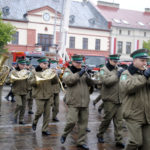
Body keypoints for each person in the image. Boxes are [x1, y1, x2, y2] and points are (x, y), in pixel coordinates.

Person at [60, 55, 96, 150]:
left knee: (83, 124)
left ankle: (81, 142)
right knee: (71, 121)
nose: (79, 64)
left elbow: (91, 83)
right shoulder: (67, 71)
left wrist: (88, 75)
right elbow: (68, 81)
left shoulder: (83, 72)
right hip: (73, 101)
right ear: (72, 62)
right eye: (77, 62)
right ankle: (64, 134)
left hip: (84, 101)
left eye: (80, 63)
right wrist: (80, 73)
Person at [120, 49, 150, 150]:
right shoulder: (126, 74)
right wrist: (145, 76)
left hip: (147, 115)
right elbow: (128, 88)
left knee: (147, 145)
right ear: (134, 60)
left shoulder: (145, 73)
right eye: (142, 60)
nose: (145, 63)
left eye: (146, 60)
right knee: (135, 141)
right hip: (133, 114)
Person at [97, 54, 125, 148]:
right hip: (109, 99)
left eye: (117, 61)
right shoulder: (103, 70)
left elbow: (123, 82)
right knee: (107, 119)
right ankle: (100, 134)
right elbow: (106, 82)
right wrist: (117, 75)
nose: (116, 63)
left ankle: (119, 140)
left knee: (119, 122)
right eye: (114, 61)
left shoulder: (118, 69)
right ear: (109, 60)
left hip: (119, 99)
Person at [31, 57, 58, 136]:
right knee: (39, 111)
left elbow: (55, 82)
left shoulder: (49, 71)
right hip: (39, 95)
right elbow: (30, 83)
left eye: (47, 63)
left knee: (47, 114)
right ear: (40, 64)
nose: (46, 65)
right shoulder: (34, 72)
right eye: (44, 64)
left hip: (49, 95)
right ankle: (35, 122)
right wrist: (38, 79)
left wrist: (55, 74)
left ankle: (44, 129)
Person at [7, 59, 28, 124]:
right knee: (19, 104)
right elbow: (7, 81)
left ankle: (21, 120)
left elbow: (29, 81)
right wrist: (11, 80)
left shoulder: (26, 71)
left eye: (24, 65)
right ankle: (15, 117)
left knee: (24, 106)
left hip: (24, 91)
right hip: (16, 91)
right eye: (22, 65)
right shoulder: (13, 72)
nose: (23, 66)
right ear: (18, 64)